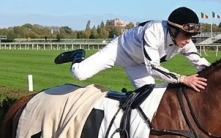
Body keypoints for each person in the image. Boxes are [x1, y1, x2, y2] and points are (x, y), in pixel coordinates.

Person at [70, 7, 209, 91]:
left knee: (150, 97)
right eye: (186, 34)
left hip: (140, 64)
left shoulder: (186, 42)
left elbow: (201, 64)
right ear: (173, 30)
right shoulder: (153, 31)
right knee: (79, 73)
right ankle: (78, 55)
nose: (189, 40)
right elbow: (153, 68)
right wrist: (183, 79)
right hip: (119, 51)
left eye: (192, 36)